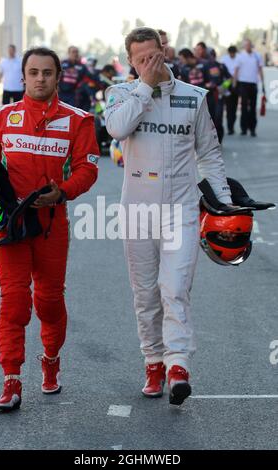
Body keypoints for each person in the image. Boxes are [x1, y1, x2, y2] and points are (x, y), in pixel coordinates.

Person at [105, 27, 232, 406]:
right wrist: (144, 85)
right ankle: (153, 362)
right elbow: (116, 129)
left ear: (165, 50)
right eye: (141, 59)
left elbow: (209, 154)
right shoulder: (119, 94)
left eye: (155, 56)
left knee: (175, 288)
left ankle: (178, 365)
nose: (150, 63)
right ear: (130, 61)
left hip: (180, 209)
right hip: (137, 210)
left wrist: (222, 203)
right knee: (146, 294)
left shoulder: (193, 97)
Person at [0, 47, 99, 411]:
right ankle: (11, 379)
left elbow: (88, 169)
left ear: (58, 76)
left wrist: (61, 192)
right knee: (14, 304)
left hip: (51, 225)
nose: (40, 78)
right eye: (34, 72)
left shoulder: (79, 120)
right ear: (23, 77)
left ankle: (50, 360)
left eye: (47, 72)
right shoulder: (1, 117)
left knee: (48, 302)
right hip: (10, 225)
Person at [233, 39, 265, 137]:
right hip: (243, 83)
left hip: (253, 84)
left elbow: (260, 70)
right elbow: (236, 70)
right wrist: (234, 84)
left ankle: (252, 129)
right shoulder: (240, 56)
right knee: (244, 107)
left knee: (253, 107)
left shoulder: (257, 56)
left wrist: (263, 84)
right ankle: (244, 129)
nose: (248, 47)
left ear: (251, 45)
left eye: (249, 45)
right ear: (244, 46)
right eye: (246, 45)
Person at [221, 46, 239, 135]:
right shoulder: (224, 59)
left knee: (234, 107)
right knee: (228, 107)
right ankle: (229, 127)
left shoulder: (238, 58)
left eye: (233, 53)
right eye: (231, 53)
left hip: (236, 83)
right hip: (226, 84)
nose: (232, 54)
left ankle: (232, 126)